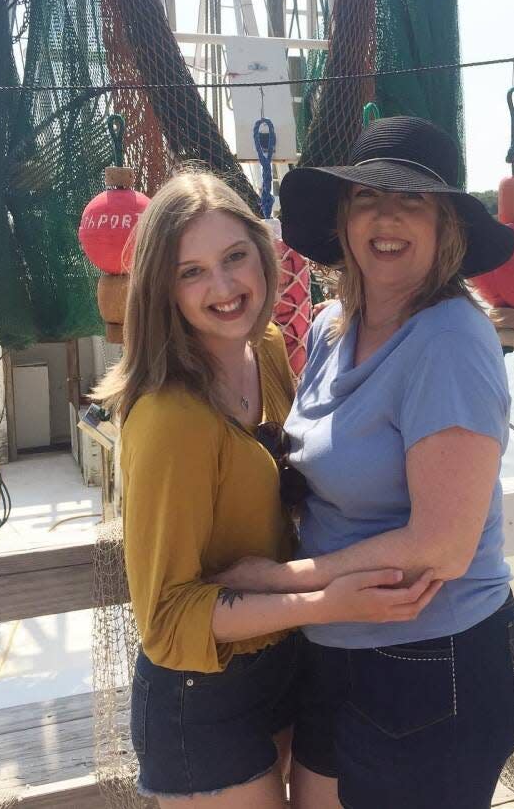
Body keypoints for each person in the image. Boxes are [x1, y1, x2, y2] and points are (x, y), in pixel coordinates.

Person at [93, 171, 439, 809]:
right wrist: (324, 601)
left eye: (233, 258)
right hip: (202, 694)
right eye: (190, 271)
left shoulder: (270, 350)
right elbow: (166, 621)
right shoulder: (170, 419)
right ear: (161, 290)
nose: (223, 288)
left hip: (281, 662)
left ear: (263, 254)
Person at [213, 117, 514, 809]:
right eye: (366, 199)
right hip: (333, 648)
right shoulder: (333, 326)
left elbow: (441, 547)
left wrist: (278, 582)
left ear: (446, 225)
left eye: (411, 201)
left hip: (432, 661)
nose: (386, 217)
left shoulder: (449, 338)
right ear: (344, 220)